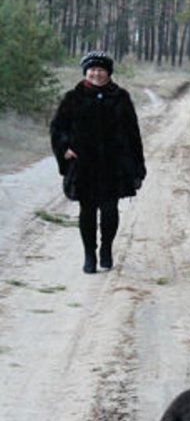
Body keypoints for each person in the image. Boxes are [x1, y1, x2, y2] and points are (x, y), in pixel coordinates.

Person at [50, 51, 146, 273]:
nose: (96, 73)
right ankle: (89, 254)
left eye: (101, 69)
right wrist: (64, 148)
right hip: (84, 165)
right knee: (88, 210)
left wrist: (137, 165)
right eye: (92, 69)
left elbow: (133, 133)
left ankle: (106, 249)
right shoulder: (73, 98)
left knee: (110, 210)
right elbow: (57, 127)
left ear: (108, 73)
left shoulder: (120, 97)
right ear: (86, 72)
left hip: (114, 165)